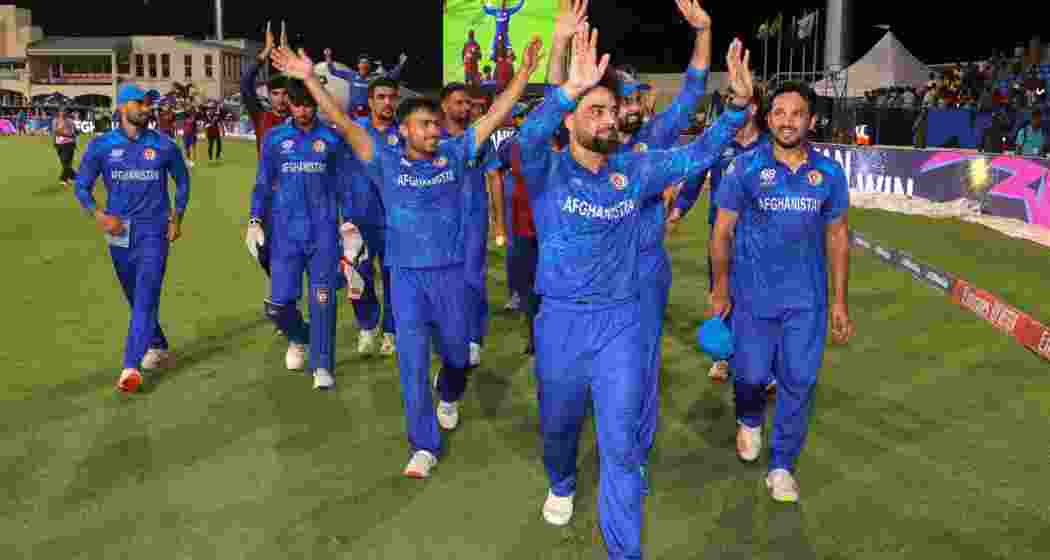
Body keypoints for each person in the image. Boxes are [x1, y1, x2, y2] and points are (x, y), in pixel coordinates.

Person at [517, 22, 752, 559]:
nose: (604, 120)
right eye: (592, 110)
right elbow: (530, 134)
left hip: (621, 321)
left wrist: (737, 109)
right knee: (559, 425)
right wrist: (565, 89)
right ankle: (561, 482)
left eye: (609, 111)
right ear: (571, 118)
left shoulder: (635, 169)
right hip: (560, 322)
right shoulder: (546, 168)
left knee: (621, 445)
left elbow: (699, 154)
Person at [269, 35, 543, 478]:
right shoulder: (384, 160)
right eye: (425, 126)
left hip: (451, 278)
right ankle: (423, 446)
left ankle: (450, 391)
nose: (434, 131)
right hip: (408, 280)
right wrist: (309, 80)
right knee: (411, 365)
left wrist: (526, 74)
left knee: (458, 357)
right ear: (404, 131)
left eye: (435, 125)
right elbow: (340, 120)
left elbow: (494, 116)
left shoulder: (455, 154)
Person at [547, 0, 715, 471]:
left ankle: (632, 454)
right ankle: (568, 456)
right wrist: (560, 44)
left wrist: (702, 33)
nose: (622, 109)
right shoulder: (578, 148)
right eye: (608, 103)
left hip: (645, 273)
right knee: (574, 377)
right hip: (587, 285)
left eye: (628, 99)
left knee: (641, 368)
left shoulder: (655, 139)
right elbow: (554, 96)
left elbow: (693, 90)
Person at [709, 81, 854, 503]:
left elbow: (838, 236)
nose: (786, 120)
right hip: (752, 299)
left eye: (796, 113)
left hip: (805, 302)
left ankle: (782, 466)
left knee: (799, 381)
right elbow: (721, 232)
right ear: (767, 118)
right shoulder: (745, 168)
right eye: (779, 112)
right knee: (751, 376)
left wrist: (839, 301)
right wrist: (720, 289)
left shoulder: (829, 173)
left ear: (811, 120)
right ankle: (750, 418)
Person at [73, 83, 190, 392]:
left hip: (154, 230)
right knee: (134, 296)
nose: (147, 108)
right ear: (123, 107)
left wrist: (178, 216)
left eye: (149, 103)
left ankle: (130, 366)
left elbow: (183, 181)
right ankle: (158, 346)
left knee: (146, 295)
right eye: (141, 103)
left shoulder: (164, 145)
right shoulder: (101, 146)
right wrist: (99, 216)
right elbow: (81, 187)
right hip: (119, 232)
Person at [246, 80, 349, 391]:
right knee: (277, 306)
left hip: (323, 235)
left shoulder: (331, 139)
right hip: (285, 234)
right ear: (288, 104)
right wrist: (254, 220)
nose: (303, 110)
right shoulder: (275, 139)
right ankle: (300, 338)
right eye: (297, 104)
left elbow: (344, 185)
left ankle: (322, 365)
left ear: (316, 104)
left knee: (323, 302)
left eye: (308, 104)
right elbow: (263, 184)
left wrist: (350, 225)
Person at [673, 86, 776, 398]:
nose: (732, 105)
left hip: (761, 238)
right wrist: (678, 210)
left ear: (754, 107)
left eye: (739, 101)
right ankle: (721, 356)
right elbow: (694, 180)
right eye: (730, 99)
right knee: (720, 292)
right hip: (721, 236)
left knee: (759, 302)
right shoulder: (719, 143)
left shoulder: (771, 147)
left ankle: (765, 368)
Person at [343, 76, 401, 357]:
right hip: (358, 219)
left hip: (395, 221)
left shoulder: (405, 134)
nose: (387, 102)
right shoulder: (354, 132)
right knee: (357, 276)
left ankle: (391, 331)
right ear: (370, 101)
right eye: (381, 97)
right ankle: (366, 326)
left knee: (395, 279)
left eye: (392, 97)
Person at [329, 52, 408, 118]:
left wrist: (401, 64)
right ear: (358, 65)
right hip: (351, 112)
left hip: (368, 113)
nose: (364, 65)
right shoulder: (351, 75)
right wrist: (328, 56)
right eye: (362, 62)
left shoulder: (375, 78)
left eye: (366, 63)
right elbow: (333, 71)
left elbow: (392, 76)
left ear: (369, 66)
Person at [52, 108, 78, 186]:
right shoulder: (55, 121)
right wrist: (54, 142)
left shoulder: (70, 121)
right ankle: (75, 177)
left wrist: (73, 134)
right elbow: (55, 132)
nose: (62, 113)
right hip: (59, 144)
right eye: (61, 111)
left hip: (69, 144)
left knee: (66, 162)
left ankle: (63, 179)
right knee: (65, 163)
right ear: (59, 113)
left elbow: (75, 132)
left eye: (64, 112)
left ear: (66, 113)